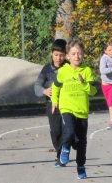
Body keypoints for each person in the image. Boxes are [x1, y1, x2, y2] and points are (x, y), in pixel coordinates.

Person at [51, 38, 97, 179]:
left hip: (82, 111)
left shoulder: (86, 71)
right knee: (69, 131)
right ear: (67, 56)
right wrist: (54, 101)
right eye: (74, 53)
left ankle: (81, 166)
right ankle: (64, 150)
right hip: (67, 108)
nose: (77, 56)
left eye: (80, 53)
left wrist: (84, 84)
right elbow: (55, 87)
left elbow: (93, 91)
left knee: (81, 144)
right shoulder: (63, 71)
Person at [34, 38, 67, 167]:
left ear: (66, 55)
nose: (59, 58)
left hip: (67, 104)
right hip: (52, 106)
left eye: (62, 55)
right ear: (51, 53)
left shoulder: (69, 67)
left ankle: (65, 152)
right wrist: (44, 91)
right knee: (56, 132)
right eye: (56, 55)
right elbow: (37, 86)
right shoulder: (46, 69)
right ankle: (60, 154)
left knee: (68, 130)